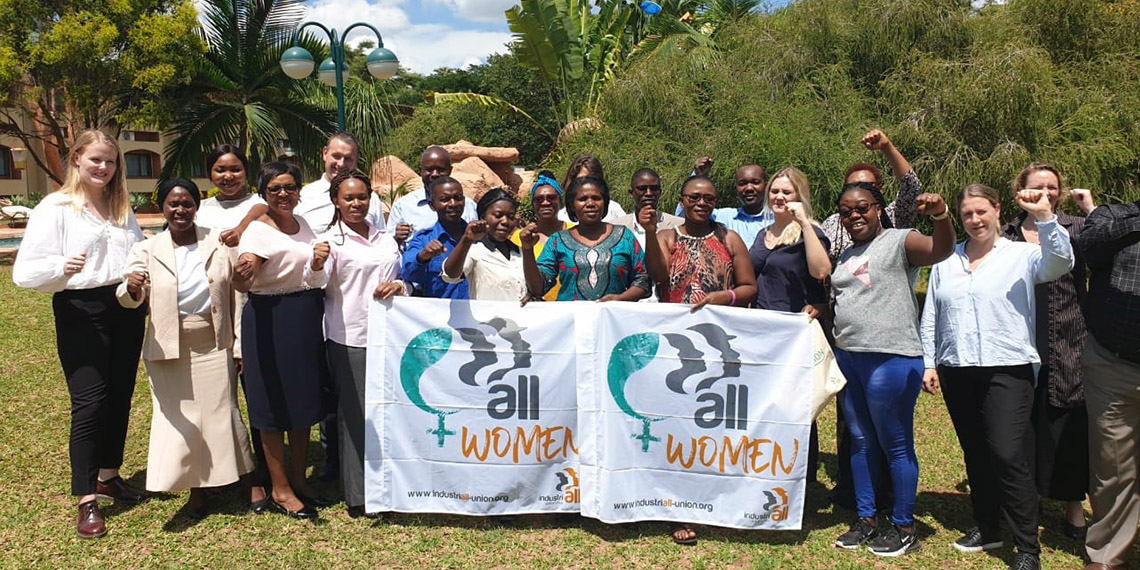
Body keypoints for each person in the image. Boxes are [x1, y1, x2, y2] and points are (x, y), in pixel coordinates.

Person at [921, 184, 1073, 570]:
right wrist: (929, 362)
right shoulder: (946, 260)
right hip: (958, 369)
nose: (975, 220)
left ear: (997, 210)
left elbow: (1061, 263)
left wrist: (1044, 216)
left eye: (981, 212)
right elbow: (933, 315)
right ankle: (987, 527)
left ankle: (1026, 548)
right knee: (976, 452)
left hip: (1008, 368)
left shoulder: (1022, 255)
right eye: (968, 214)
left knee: (1007, 454)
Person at [12, 129, 148, 538]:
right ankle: (87, 499)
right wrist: (61, 267)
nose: (104, 168)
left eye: (110, 161)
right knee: (90, 402)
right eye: (96, 160)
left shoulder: (121, 205)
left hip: (125, 304)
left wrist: (138, 274)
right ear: (75, 159)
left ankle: (109, 476)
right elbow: (24, 273)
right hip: (81, 309)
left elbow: (139, 249)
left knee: (121, 393)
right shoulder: (56, 208)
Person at [115, 178, 255, 520]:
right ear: (162, 207)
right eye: (173, 204)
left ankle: (249, 479)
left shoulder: (219, 243)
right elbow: (129, 295)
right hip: (168, 346)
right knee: (181, 418)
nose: (180, 210)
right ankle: (197, 492)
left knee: (223, 411)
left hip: (213, 341)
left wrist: (238, 345)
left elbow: (239, 294)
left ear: (197, 206)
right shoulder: (146, 249)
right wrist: (132, 288)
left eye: (187, 203)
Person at [830, 183, 955, 556]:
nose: (854, 215)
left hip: (891, 358)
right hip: (850, 357)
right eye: (846, 210)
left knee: (895, 445)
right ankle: (867, 519)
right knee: (861, 441)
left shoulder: (901, 241)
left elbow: (941, 249)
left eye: (862, 207)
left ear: (879, 209)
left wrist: (940, 216)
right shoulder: (846, 254)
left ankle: (903, 526)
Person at [639, 175, 757, 545]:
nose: (701, 203)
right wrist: (648, 231)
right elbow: (657, 276)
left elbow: (750, 286)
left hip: (720, 342)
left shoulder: (728, 238)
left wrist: (726, 298)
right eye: (694, 197)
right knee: (677, 424)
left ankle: (712, 500)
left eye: (708, 198)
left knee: (712, 425)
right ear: (682, 200)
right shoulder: (667, 238)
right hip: (677, 345)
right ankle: (679, 506)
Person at [1001, 163, 1096, 540]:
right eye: (1037, 186)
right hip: (1018, 336)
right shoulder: (1004, 232)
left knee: (1067, 423)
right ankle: (1028, 501)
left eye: (1052, 187)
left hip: (1069, 336)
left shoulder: (1076, 227)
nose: (1045, 193)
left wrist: (1091, 211)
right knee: (1023, 422)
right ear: (1020, 190)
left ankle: (1074, 509)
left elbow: (1108, 253)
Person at [303, 171, 407, 519]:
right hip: (352, 338)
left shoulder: (385, 238)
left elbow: (402, 278)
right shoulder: (331, 241)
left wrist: (401, 287)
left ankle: (389, 486)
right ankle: (360, 496)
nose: (356, 204)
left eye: (362, 197)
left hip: (391, 337)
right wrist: (316, 262)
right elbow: (316, 280)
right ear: (336, 201)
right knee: (356, 416)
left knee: (386, 413)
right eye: (349, 198)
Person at [233, 162, 331, 520]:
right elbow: (246, 276)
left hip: (304, 318)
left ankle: (299, 479)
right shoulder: (257, 232)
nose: (283, 194)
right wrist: (241, 275)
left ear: (299, 190)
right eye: (274, 189)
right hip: (269, 319)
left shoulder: (303, 225)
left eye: (289, 187)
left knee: (303, 402)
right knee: (271, 405)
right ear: (264, 193)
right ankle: (280, 488)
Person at [192, 144, 270, 509]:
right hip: (210, 316)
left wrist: (242, 226)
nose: (228, 176)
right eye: (220, 169)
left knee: (255, 397)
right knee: (215, 400)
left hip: (252, 311)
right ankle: (216, 473)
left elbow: (263, 211)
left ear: (246, 171)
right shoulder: (200, 211)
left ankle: (260, 475)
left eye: (235, 169)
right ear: (210, 173)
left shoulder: (261, 204)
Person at [748, 167, 831, 486]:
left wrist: (804, 224)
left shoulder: (812, 232)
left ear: (800, 197)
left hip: (795, 334)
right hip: (763, 333)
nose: (779, 197)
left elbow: (822, 271)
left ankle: (801, 480)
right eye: (775, 191)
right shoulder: (762, 234)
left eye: (787, 192)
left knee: (796, 408)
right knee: (766, 404)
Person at [1076, 196, 1140, 570]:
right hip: (1112, 363)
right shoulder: (1114, 215)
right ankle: (1107, 555)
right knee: (1113, 465)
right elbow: (1089, 249)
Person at [521, 176, 649, 301]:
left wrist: (620, 299)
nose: (590, 204)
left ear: (605, 202)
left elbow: (643, 280)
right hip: (571, 320)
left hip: (613, 318)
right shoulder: (558, 241)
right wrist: (527, 250)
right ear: (571, 205)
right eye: (582, 199)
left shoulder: (624, 237)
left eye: (596, 198)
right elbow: (538, 289)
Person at [821, 129, 923, 264]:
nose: (859, 191)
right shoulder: (833, 223)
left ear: (880, 189)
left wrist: (886, 147)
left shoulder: (893, 216)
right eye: (852, 186)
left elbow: (911, 186)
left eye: (867, 185)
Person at [442, 189, 527, 301]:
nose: (505, 221)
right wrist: (466, 240)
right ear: (483, 217)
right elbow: (451, 275)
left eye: (511, 217)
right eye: (498, 215)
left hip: (519, 318)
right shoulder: (474, 250)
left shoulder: (520, 252)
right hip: (486, 318)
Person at [612, 168, 683, 301]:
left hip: (669, 306)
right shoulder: (616, 228)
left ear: (660, 192)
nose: (649, 193)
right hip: (627, 306)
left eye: (654, 189)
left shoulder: (679, 226)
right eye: (642, 188)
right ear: (631, 193)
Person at [294, 132, 383, 232]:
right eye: (336, 156)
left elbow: (379, 239)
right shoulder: (303, 196)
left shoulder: (370, 198)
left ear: (356, 160)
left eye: (348, 159)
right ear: (325, 153)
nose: (341, 164)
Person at [386, 146, 477, 242]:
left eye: (441, 169)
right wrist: (396, 238)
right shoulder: (403, 206)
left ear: (450, 170)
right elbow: (388, 247)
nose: (434, 174)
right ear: (421, 171)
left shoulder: (468, 206)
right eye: (429, 169)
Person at [401, 176, 470, 299]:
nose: (453, 204)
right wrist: (423, 257)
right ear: (432, 205)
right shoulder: (423, 239)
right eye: (445, 199)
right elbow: (408, 274)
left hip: (477, 314)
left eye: (458, 198)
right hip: (439, 314)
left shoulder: (478, 238)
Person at [510, 171, 573, 301]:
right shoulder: (519, 237)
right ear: (533, 204)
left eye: (551, 198)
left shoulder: (575, 233)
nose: (545, 203)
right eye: (539, 199)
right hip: (533, 310)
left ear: (560, 201)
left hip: (570, 308)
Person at [681, 159, 773, 248]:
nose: (749, 188)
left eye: (755, 182)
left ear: (766, 185)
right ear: (736, 188)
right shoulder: (722, 217)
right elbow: (683, 215)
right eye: (742, 183)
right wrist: (697, 177)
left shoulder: (778, 218)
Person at [556, 155, 626, 223]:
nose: (586, 184)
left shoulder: (614, 210)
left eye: (591, 178)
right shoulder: (561, 217)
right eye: (580, 180)